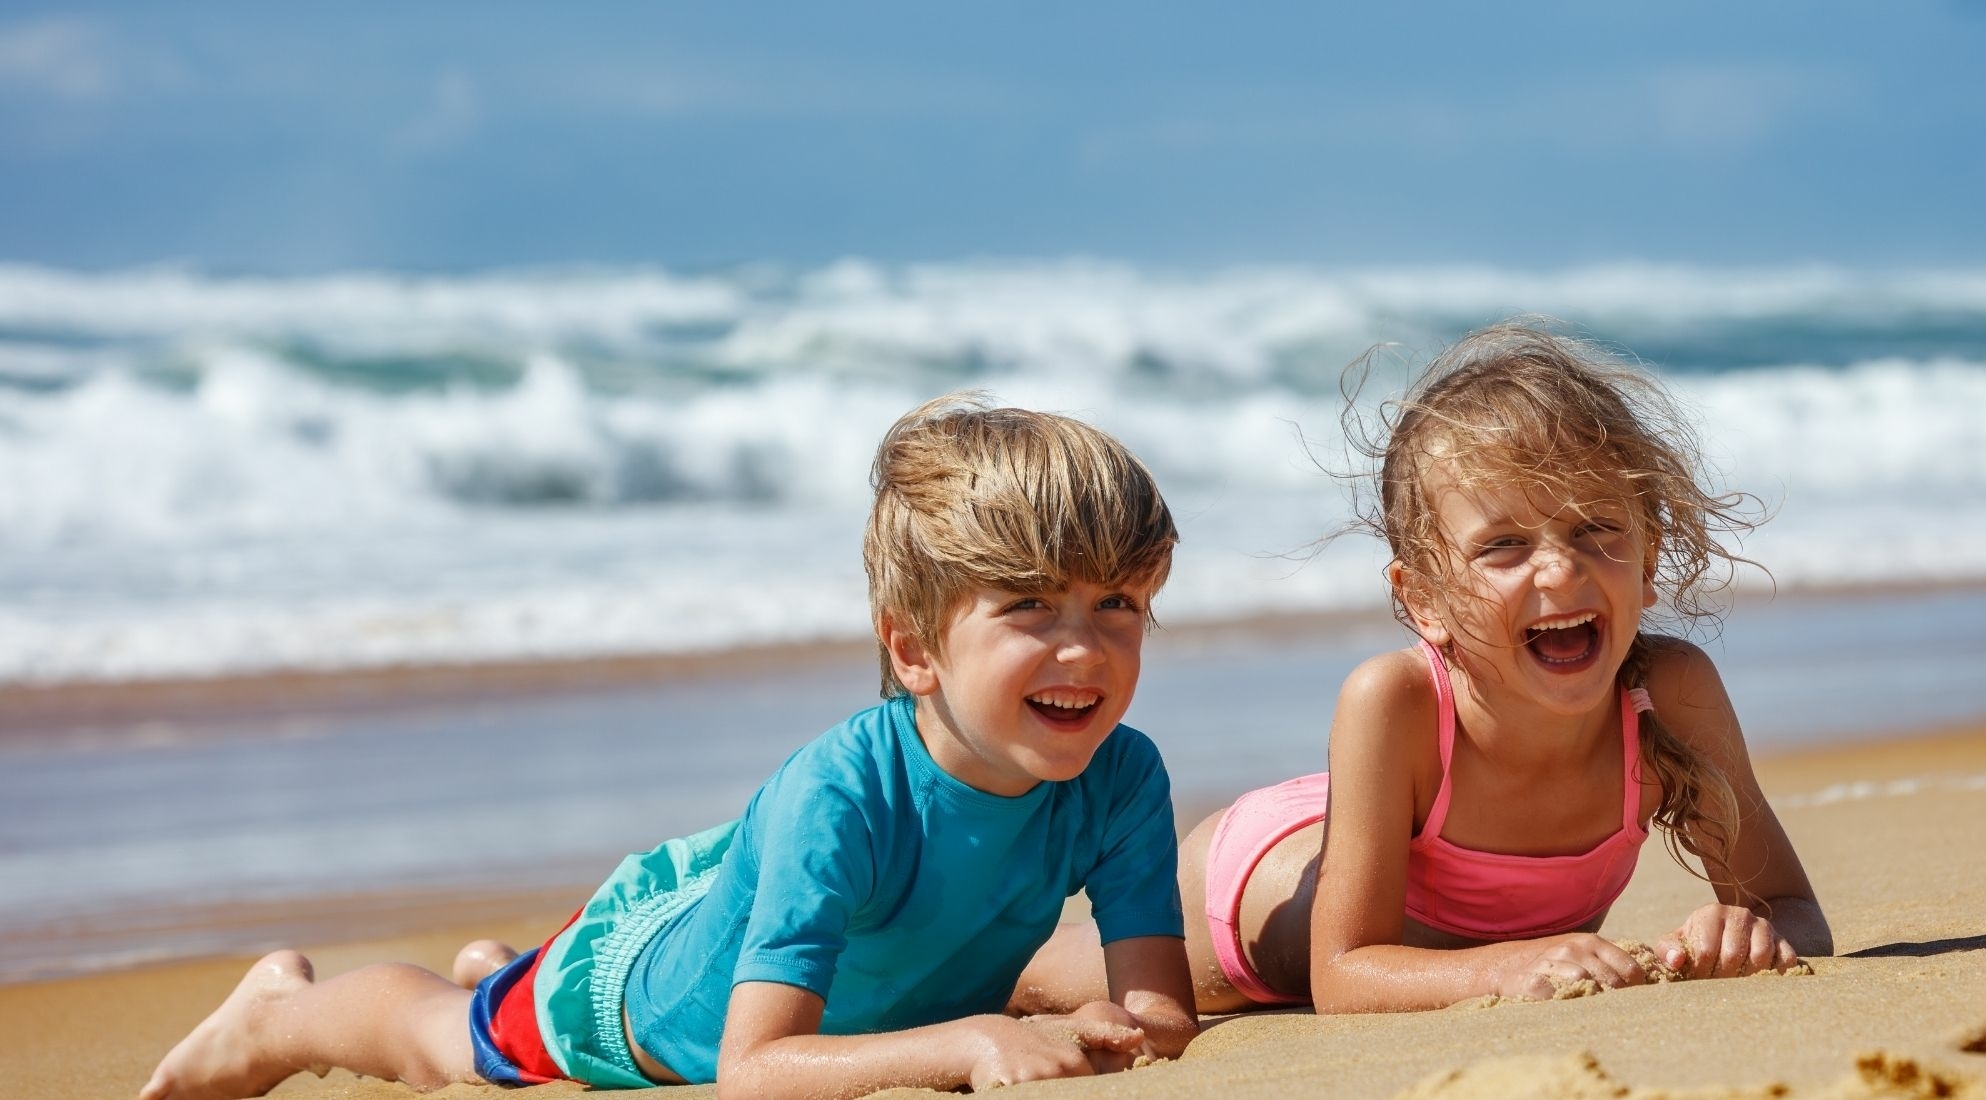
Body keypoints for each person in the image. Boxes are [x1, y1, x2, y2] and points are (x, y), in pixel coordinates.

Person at [142, 395, 1198, 1099]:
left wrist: (1121, 1025)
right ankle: (283, 1014)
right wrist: (969, 1038)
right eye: (1029, 605)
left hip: (737, 910)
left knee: (536, 976)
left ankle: (501, 965)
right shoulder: (843, 796)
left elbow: (1160, 1012)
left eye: (1117, 601)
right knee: (449, 1041)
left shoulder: (1122, 776)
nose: (1084, 647)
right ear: (914, 649)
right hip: (630, 998)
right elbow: (752, 1070)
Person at [1017, 321, 1830, 1017]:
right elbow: (1342, 975)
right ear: (1423, 599)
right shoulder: (1393, 699)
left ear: (1648, 560)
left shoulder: (1667, 695)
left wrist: (1745, 932)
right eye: (1503, 545)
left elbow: (1794, 911)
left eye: (1596, 529)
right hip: (1253, 894)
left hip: (1371, 822)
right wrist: (1506, 966)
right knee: (1024, 976)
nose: (1560, 569)